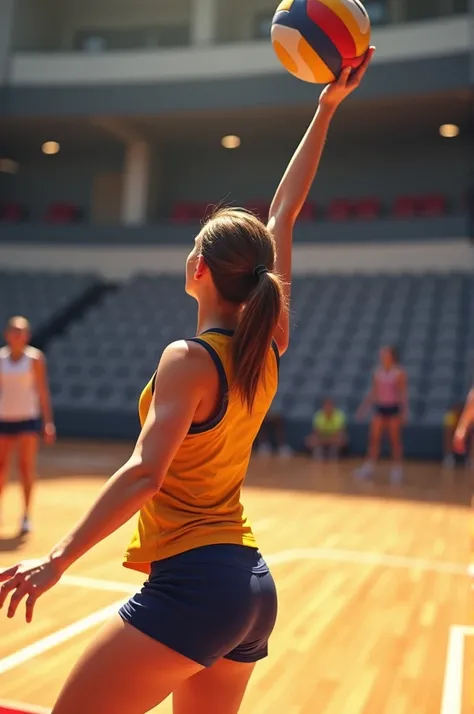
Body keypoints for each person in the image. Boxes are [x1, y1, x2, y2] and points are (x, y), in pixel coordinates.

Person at [0, 52, 374, 714]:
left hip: (196, 584)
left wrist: (56, 560)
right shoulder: (270, 343)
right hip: (249, 587)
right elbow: (283, 215)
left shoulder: (189, 357)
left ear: (199, 267)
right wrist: (326, 108)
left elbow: (147, 472)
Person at [0, 316, 55, 535]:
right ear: (7, 334)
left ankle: (25, 515)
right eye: (14, 331)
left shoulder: (35, 358)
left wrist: (47, 422)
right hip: (4, 418)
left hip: (28, 419)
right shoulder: (0, 359)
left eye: (22, 331)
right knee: (1, 468)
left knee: (25, 468)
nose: (18, 335)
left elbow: (42, 391)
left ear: (27, 335)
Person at [355, 345, 408, 485]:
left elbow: (402, 393)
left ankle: (397, 470)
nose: (383, 357)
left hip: (393, 409)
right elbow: (374, 392)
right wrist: (363, 408)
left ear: (392, 356)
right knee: (374, 439)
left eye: (386, 354)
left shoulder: (399, 373)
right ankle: (369, 468)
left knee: (395, 441)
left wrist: (404, 411)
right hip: (380, 408)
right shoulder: (377, 372)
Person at [443, 402, 464, 467]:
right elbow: (448, 430)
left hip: (464, 434)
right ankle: (448, 456)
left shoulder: (468, 415)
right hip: (455, 435)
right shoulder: (451, 416)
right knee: (448, 436)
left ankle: (471, 459)